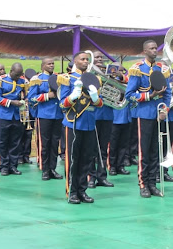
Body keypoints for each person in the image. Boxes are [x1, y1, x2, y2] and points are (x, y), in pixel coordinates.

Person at [125, 40, 172, 198]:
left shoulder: (163, 69)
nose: (154, 51)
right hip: (144, 114)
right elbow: (129, 95)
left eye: (155, 49)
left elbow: (167, 94)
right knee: (144, 152)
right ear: (144, 51)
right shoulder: (137, 69)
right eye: (151, 49)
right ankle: (143, 184)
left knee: (155, 152)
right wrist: (148, 96)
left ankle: (152, 183)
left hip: (159, 116)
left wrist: (164, 110)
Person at [60, 52, 104, 204]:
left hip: (89, 123)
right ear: (75, 61)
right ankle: (72, 191)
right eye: (82, 59)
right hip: (73, 123)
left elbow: (100, 103)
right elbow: (61, 104)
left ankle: (82, 190)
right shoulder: (67, 78)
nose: (85, 62)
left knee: (86, 159)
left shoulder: (94, 79)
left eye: (87, 59)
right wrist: (73, 96)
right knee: (73, 160)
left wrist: (96, 99)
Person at [27, 58, 64, 180]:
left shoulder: (60, 78)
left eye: (53, 63)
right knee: (44, 143)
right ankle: (45, 169)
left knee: (55, 143)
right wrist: (48, 96)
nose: (52, 65)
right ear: (43, 65)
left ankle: (53, 168)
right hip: (44, 114)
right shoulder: (37, 79)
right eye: (49, 63)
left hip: (57, 114)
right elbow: (31, 98)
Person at [0, 63, 28, 176]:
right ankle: (4, 166)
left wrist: (25, 101)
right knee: (3, 142)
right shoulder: (1, 80)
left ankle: (13, 166)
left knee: (15, 142)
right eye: (16, 74)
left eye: (20, 75)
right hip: (4, 115)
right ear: (11, 71)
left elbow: (26, 95)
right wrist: (12, 102)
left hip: (17, 115)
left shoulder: (22, 82)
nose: (18, 77)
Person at [88, 52, 114, 189]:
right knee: (92, 148)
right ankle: (90, 177)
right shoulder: (88, 74)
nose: (99, 59)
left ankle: (102, 176)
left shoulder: (110, 74)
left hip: (107, 114)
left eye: (100, 57)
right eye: (96, 57)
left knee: (104, 148)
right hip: (94, 114)